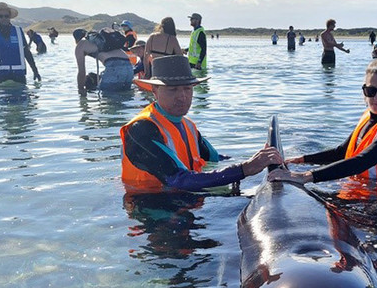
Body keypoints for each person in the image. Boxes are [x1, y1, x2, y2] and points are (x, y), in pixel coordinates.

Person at [120, 55, 282, 193]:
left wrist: (263, 159)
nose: (182, 96)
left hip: (187, 201)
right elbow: (178, 179)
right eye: (173, 90)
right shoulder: (140, 129)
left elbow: (216, 158)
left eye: (187, 89)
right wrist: (245, 169)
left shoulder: (188, 126)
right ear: (154, 90)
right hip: (151, 210)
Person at [268, 59, 377, 196]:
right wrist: (301, 160)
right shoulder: (370, 116)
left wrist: (304, 177)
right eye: (370, 91)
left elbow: (362, 161)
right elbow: (342, 152)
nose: (376, 98)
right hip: (362, 189)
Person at [0, 2, 41, 85]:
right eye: (1, 16)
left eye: (6, 16)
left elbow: (26, 52)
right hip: (0, 75)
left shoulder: (18, 31)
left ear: (10, 17)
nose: (4, 18)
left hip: (19, 74)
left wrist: (35, 71)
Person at [74, 27, 134, 93]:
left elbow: (81, 72)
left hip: (114, 67)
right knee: (125, 96)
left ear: (76, 39)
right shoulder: (100, 39)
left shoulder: (80, 45)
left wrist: (81, 90)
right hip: (129, 66)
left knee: (108, 100)